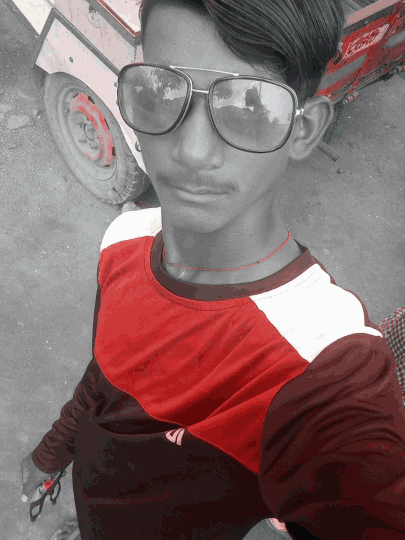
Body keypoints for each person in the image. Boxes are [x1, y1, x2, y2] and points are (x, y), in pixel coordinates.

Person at [20, 1, 405, 539]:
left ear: (303, 130)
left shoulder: (327, 368)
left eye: (250, 106)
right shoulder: (126, 240)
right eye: (160, 91)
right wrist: (53, 451)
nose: (192, 151)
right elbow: (105, 376)